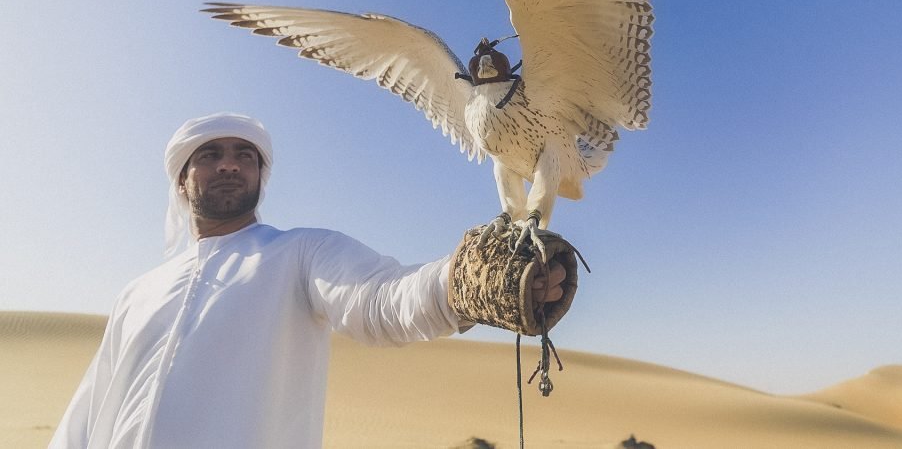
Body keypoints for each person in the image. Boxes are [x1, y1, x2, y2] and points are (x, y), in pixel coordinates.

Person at [51, 112, 566, 448]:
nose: (230, 164)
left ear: (260, 176)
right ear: (182, 180)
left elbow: (382, 300)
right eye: (210, 154)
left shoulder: (300, 254)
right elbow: (86, 414)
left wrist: (465, 285)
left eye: (245, 156)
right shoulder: (137, 293)